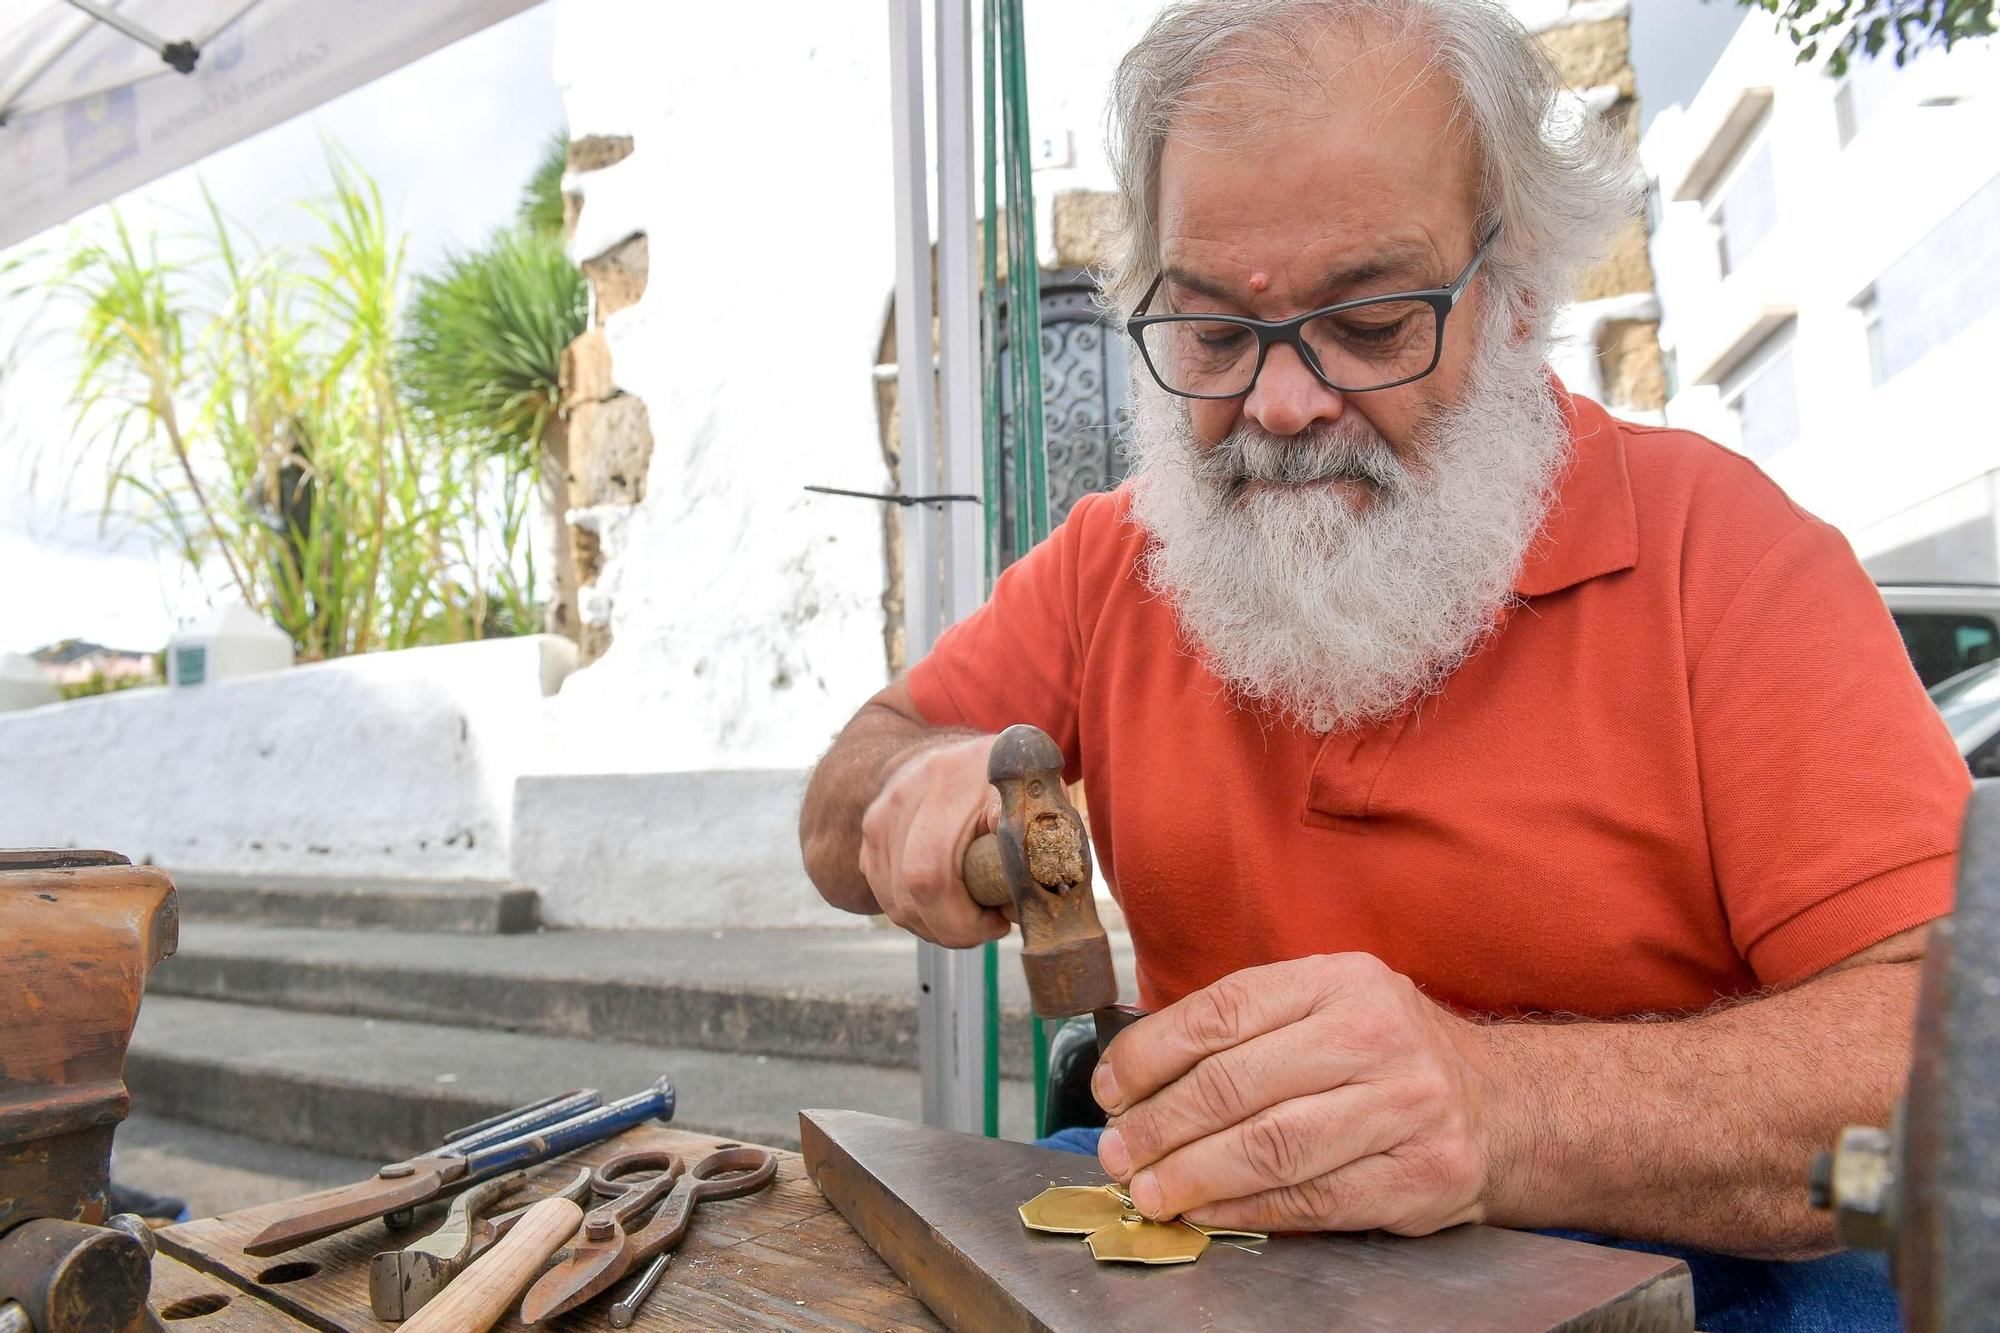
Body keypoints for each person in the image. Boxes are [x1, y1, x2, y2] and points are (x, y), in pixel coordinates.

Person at [799, 2, 1966, 1328]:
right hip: (1213, 1243)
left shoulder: (1726, 557)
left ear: (1515, 300)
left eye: (1369, 321)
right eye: (1216, 334)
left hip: (1692, 1272)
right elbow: (846, 787)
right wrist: (918, 791)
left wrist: (1506, 1109)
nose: (1281, 406)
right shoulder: (1120, 561)